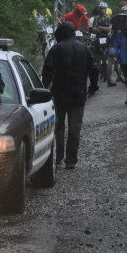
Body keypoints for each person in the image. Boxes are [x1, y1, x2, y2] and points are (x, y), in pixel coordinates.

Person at [41, 22, 99, 168]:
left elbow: (47, 71)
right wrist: (93, 86)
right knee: (75, 127)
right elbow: (94, 69)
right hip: (78, 95)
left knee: (59, 127)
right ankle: (71, 160)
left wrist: (43, 89)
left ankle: (58, 158)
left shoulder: (56, 48)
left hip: (59, 94)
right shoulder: (84, 48)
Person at [90, 2, 116, 86]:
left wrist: (100, 27)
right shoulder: (96, 18)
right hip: (98, 38)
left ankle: (108, 78)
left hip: (106, 38)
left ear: (106, 9)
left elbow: (109, 29)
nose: (103, 10)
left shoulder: (109, 18)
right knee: (96, 57)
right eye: (101, 8)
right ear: (99, 9)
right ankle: (95, 75)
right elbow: (93, 29)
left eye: (104, 8)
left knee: (108, 57)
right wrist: (104, 29)